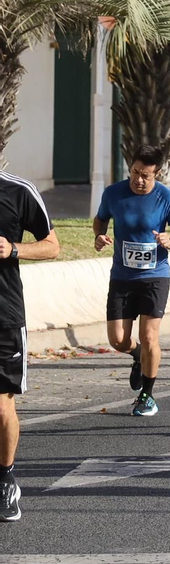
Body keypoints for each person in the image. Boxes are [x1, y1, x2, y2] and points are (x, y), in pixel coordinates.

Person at [93, 145, 170, 416]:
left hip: (154, 276)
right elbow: (100, 221)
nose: (138, 179)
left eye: (146, 175)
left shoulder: (167, 198)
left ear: (157, 173)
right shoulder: (113, 193)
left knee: (149, 336)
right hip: (122, 277)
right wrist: (99, 236)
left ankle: (147, 395)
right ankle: (137, 357)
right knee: (118, 340)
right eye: (135, 172)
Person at [0, 171, 60, 521]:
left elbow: (53, 245)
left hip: (4, 317)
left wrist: (14, 248)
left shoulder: (19, 191)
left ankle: (6, 478)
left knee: (2, 406)